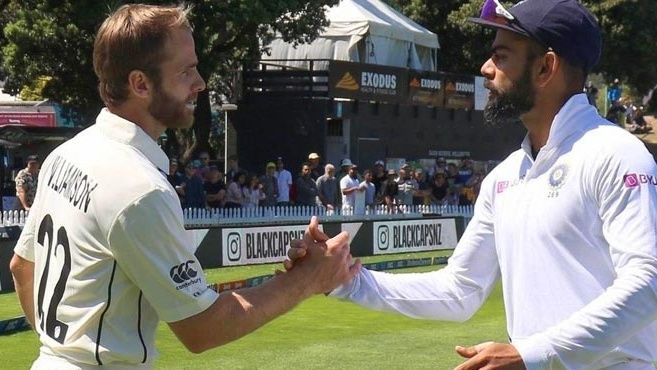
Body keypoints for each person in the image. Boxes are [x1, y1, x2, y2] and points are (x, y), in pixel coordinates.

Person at [287, 1, 657, 369]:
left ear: (546, 67)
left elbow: (649, 282)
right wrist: (349, 280)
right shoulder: (505, 178)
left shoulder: (617, 154)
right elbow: (459, 290)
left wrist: (532, 353)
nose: (485, 68)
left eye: (501, 56)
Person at [8, 4, 358, 369]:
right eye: (186, 70)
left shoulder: (66, 154)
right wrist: (308, 279)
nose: (200, 82)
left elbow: (21, 267)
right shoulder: (139, 190)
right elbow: (203, 328)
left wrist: (61, 352)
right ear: (140, 83)